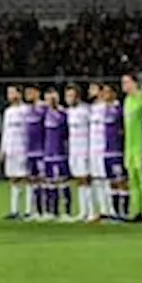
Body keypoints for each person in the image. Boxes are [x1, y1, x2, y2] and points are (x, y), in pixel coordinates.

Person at [42, 88, 73, 221]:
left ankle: (66, 212)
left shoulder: (62, 113)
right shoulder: (44, 113)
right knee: (49, 183)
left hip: (59, 152)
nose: (50, 101)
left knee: (62, 182)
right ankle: (51, 211)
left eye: (52, 98)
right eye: (48, 98)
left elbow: (67, 133)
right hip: (47, 153)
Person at [121, 73, 142, 222]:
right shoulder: (127, 101)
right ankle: (136, 211)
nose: (124, 85)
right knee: (133, 181)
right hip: (129, 147)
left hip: (140, 145)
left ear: (134, 83)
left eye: (126, 82)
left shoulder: (141, 98)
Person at [0, 85, 29, 219]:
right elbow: (5, 132)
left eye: (12, 92)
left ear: (19, 94)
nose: (9, 95)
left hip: (23, 148)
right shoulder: (8, 112)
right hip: (11, 149)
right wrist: (3, 149)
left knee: (26, 178)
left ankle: (28, 210)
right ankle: (14, 210)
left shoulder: (26, 110)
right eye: (8, 93)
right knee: (12, 178)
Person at [64, 84, 93, 220]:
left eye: (71, 96)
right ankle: (83, 211)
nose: (68, 99)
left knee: (86, 179)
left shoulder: (86, 110)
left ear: (78, 96)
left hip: (84, 148)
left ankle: (92, 211)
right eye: (67, 96)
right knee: (79, 180)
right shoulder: (69, 112)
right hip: (73, 149)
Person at [100, 84, 127, 221]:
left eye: (107, 92)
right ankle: (115, 212)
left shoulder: (119, 110)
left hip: (117, 150)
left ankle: (124, 212)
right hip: (107, 151)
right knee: (112, 182)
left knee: (121, 180)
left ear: (114, 94)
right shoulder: (104, 110)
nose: (104, 95)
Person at [23, 85, 48, 219]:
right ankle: (35, 211)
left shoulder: (43, 108)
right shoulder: (27, 110)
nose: (27, 95)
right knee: (32, 181)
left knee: (43, 181)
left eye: (30, 92)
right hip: (30, 151)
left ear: (37, 93)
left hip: (41, 150)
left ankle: (45, 210)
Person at [88, 82, 109, 221]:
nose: (90, 91)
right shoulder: (92, 108)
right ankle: (101, 210)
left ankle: (109, 210)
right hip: (93, 148)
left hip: (103, 148)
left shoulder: (107, 108)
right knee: (96, 180)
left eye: (93, 88)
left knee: (105, 179)